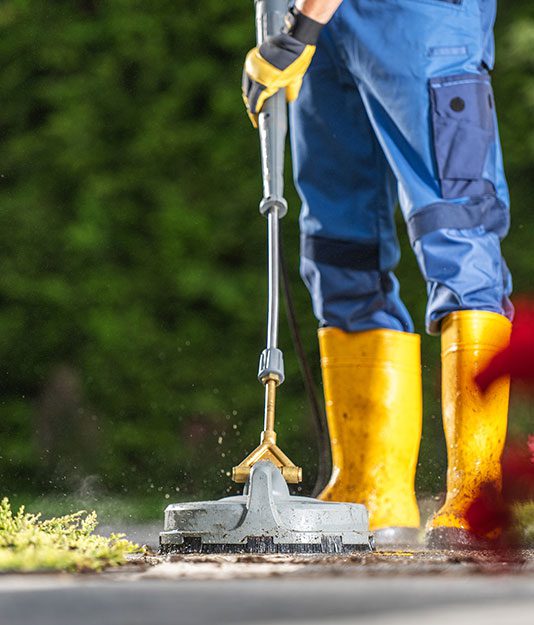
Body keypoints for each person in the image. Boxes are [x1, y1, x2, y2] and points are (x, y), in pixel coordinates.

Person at [242, 0, 513, 548]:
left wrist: (299, 29)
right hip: (323, 31)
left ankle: (476, 495)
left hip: (419, 17)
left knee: (457, 230)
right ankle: (372, 489)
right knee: (340, 249)